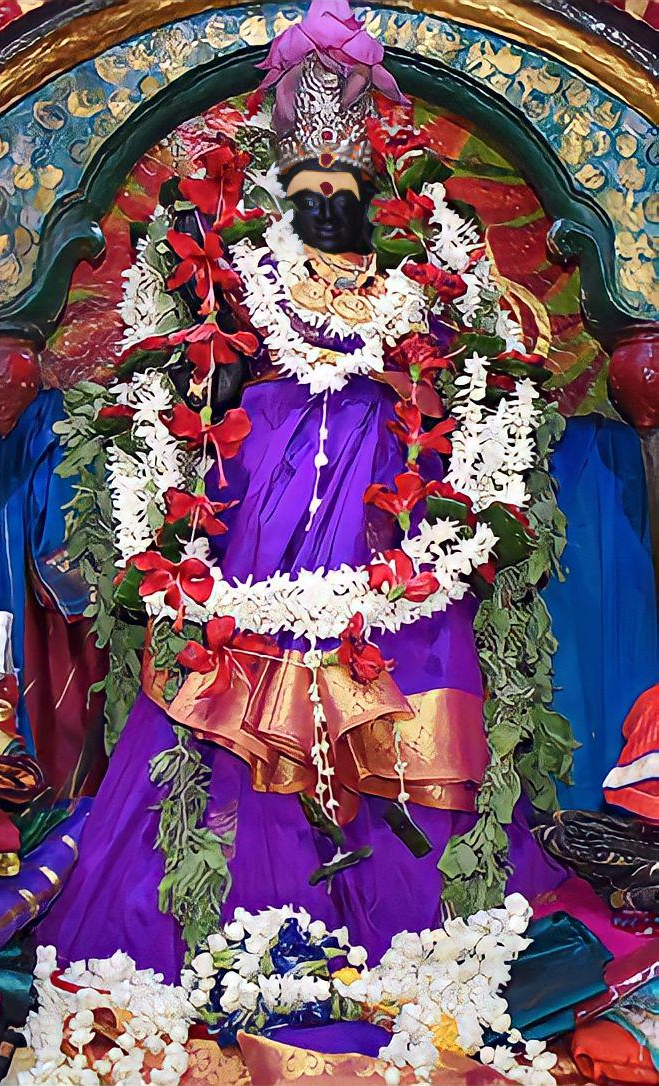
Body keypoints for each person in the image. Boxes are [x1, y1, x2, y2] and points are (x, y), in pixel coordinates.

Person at [39, 11, 563, 983]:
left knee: (400, 673)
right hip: (260, 483)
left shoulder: (416, 273)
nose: (326, 202)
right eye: (308, 188)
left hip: (381, 492)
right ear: (281, 196)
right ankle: (236, 915)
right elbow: (185, 364)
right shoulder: (243, 263)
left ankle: (410, 927)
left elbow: (466, 372)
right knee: (235, 689)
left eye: (343, 189)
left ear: (371, 196)